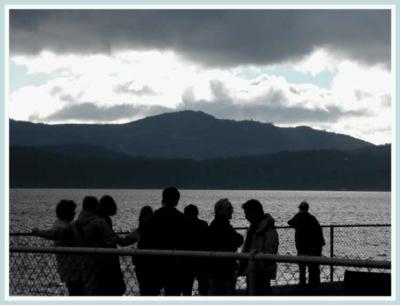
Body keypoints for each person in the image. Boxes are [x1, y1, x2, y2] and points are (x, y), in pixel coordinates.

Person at [33, 196, 126, 296]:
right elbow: (118, 240)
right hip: (98, 266)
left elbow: (55, 234)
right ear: (96, 207)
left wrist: (38, 232)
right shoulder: (100, 223)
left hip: (83, 267)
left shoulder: (74, 225)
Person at [137, 187, 187, 295]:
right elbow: (184, 242)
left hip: (153, 265)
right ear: (176, 201)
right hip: (173, 265)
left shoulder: (153, 218)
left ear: (163, 199)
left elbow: (144, 242)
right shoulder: (180, 219)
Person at [32, 199, 85, 296]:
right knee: (77, 292)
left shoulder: (63, 225)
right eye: (72, 211)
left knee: (76, 291)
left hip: (71, 267)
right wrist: (38, 232)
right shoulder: (63, 227)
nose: (74, 214)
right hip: (72, 268)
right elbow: (55, 233)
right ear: (67, 213)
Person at [240, 199, 279, 295]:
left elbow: (270, 250)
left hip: (261, 271)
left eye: (247, 213)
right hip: (252, 268)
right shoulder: (255, 227)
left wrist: (259, 263)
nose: (246, 217)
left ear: (254, 213)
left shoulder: (267, 229)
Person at [207, 198, 244, 296]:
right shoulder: (223, 226)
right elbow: (237, 239)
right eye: (228, 208)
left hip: (216, 268)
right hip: (224, 269)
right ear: (220, 210)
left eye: (231, 208)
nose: (231, 210)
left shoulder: (215, 226)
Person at [118, 205, 155, 295]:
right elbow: (124, 242)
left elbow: (123, 242)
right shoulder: (153, 232)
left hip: (143, 265)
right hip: (150, 265)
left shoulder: (139, 232)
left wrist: (113, 236)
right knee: (150, 290)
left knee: (145, 289)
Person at [288, 201, 325, 287]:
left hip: (302, 248)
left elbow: (290, 222)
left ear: (300, 209)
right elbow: (319, 232)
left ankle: (302, 286)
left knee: (302, 269)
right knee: (314, 269)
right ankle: (314, 287)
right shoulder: (312, 218)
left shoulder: (299, 217)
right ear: (307, 208)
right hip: (315, 248)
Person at [180, 204, 209, 296]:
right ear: (197, 213)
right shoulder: (203, 224)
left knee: (186, 288)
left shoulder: (182, 226)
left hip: (186, 261)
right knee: (204, 286)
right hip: (201, 260)